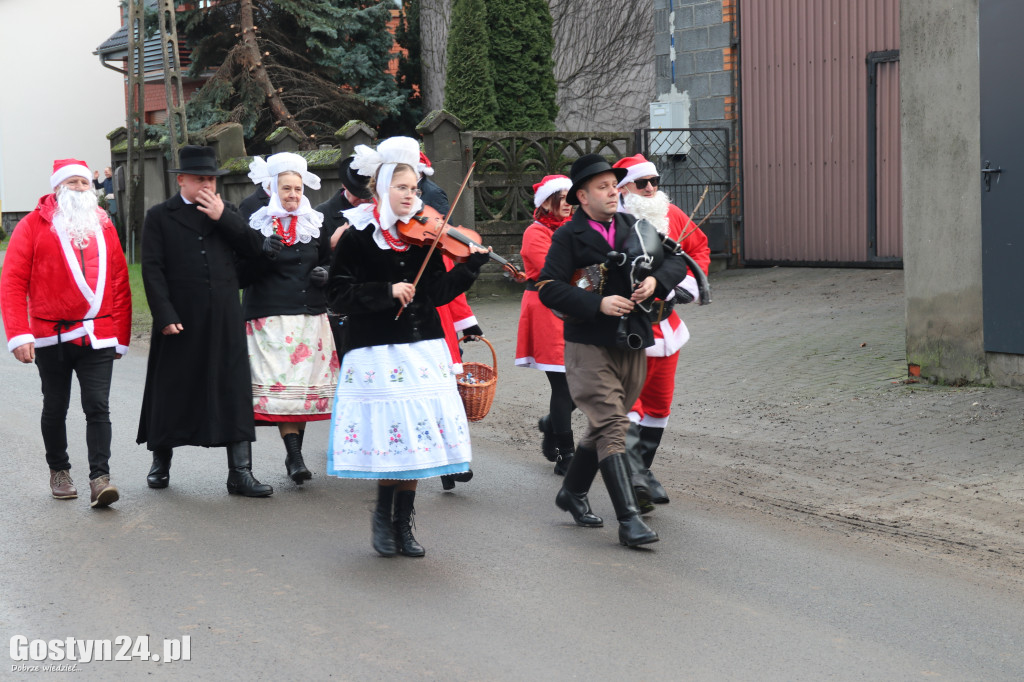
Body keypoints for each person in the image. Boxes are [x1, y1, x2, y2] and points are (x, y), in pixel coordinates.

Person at [326, 136, 491, 557]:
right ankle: (383, 518)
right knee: (393, 439)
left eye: (415, 189)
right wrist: (385, 291)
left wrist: (470, 267)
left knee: (419, 440)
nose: (411, 195)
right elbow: (338, 295)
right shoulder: (358, 236)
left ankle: (405, 523)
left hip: (423, 348)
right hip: (377, 352)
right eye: (402, 188)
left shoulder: (425, 239)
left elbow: (436, 293)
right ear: (382, 189)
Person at [536, 154, 686, 548]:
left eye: (613, 185)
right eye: (602, 187)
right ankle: (629, 520)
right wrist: (597, 303)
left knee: (605, 425)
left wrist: (655, 281)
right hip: (587, 344)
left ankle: (571, 492)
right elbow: (549, 287)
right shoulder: (568, 235)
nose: (612, 192)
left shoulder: (634, 226)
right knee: (613, 427)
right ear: (582, 197)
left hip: (632, 340)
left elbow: (676, 264)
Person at [137, 145, 273, 497]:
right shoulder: (160, 216)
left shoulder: (227, 212)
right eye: (199, 179)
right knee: (172, 389)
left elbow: (257, 253)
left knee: (231, 389)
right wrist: (164, 313)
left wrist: (224, 219)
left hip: (224, 317)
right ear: (181, 179)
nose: (207, 185)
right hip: (179, 319)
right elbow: (152, 270)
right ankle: (160, 463)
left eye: (211, 179)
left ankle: (240, 473)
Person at [1, 159, 131, 507]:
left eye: (84, 182)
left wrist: (121, 334)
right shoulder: (31, 225)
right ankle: (59, 471)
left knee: (97, 406)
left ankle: (99, 478)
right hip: (50, 335)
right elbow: (12, 282)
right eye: (71, 182)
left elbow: (119, 282)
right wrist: (19, 334)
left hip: (98, 333)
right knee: (55, 405)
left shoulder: (104, 225)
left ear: (92, 188)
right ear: (58, 187)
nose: (78, 188)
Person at [613, 153, 711, 513]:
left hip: (665, 325)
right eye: (642, 183)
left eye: (654, 180)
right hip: (626, 329)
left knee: (658, 407)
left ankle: (642, 474)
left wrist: (686, 281)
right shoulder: (612, 220)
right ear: (624, 188)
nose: (651, 188)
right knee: (628, 406)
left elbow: (698, 247)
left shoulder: (671, 214)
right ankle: (634, 479)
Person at [243, 152, 338, 484]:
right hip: (270, 318)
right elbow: (241, 274)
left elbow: (328, 258)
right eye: (286, 189)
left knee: (303, 390)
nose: (293, 196)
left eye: (298, 189)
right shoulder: (255, 219)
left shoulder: (315, 221)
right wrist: (261, 253)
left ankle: (294, 455)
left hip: (310, 316)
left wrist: (326, 272)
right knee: (285, 388)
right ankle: (294, 455)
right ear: (273, 188)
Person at [514, 174, 577, 474]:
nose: (567, 203)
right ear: (546, 202)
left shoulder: (574, 228)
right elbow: (556, 272)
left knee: (583, 384)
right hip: (548, 309)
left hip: (575, 308)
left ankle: (551, 422)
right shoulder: (535, 233)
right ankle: (567, 454)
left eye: (570, 197)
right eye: (561, 197)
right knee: (564, 383)